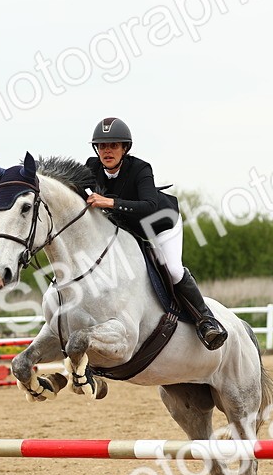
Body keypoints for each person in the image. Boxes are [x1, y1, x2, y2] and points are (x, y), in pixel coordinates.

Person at [83, 117, 227, 350]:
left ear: (125, 148)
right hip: (130, 230)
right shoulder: (92, 166)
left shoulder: (141, 168)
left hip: (161, 224)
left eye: (113, 145)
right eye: (102, 146)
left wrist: (110, 202)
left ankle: (206, 320)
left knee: (171, 268)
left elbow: (149, 205)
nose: (107, 151)